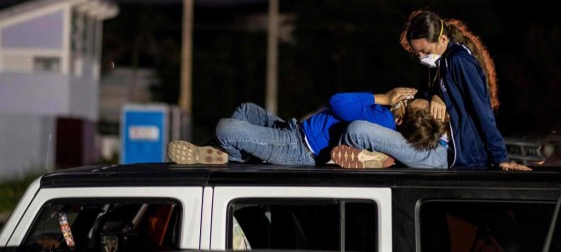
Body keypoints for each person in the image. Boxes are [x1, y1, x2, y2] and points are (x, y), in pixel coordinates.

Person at [336, 9, 531, 171]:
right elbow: (422, 93)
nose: (421, 57)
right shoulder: (439, 64)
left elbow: (483, 110)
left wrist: (500, 157)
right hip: (433, 143)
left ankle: (357, 160)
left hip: (452, 155)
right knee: (358, 128)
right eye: (416, 52)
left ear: (443, 39)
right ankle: (375, 157)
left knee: (357, 130)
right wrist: (437, 96)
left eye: (425, 51)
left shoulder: (459, 61)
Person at [168, 87, 419, 168]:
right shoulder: (386, 116)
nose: (403, 97)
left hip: (299, 148)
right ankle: (238, 153)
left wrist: (385, 98)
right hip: (295, 130)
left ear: (399, 119)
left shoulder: (383, 119)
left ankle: (231, 155)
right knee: (247, 109)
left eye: (405, 102)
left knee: (226, 129)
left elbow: (338, 102)